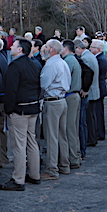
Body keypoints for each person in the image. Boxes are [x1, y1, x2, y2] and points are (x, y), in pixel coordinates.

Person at [0, 39, 41, 191]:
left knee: (19, 145)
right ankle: (35, 174)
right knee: (31, 141)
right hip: (33, 108)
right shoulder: (34, 64)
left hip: (20, 110)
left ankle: (18, 179)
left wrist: (9, 110)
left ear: (21, 49)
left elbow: (11, 90)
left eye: (14, 45)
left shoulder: (15, 66)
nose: (11, 47)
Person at [39, 39, 71, 180]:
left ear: (51, 50)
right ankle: (64, 165)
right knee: (62, 135)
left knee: (51, 136)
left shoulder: (51, 64)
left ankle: (52, 169)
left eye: (45, 46)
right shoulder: (62, 63)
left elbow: (43, 84)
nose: (43, 49)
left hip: (52, 102)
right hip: (62, 100)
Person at [61, 40, 83, 170]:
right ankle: (76, 155)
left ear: (65, 49)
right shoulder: (73, 59)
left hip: (70, 96)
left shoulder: (68, 61)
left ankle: (73, 157)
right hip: (74, 95)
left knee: (70, 129)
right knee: (73, 128)